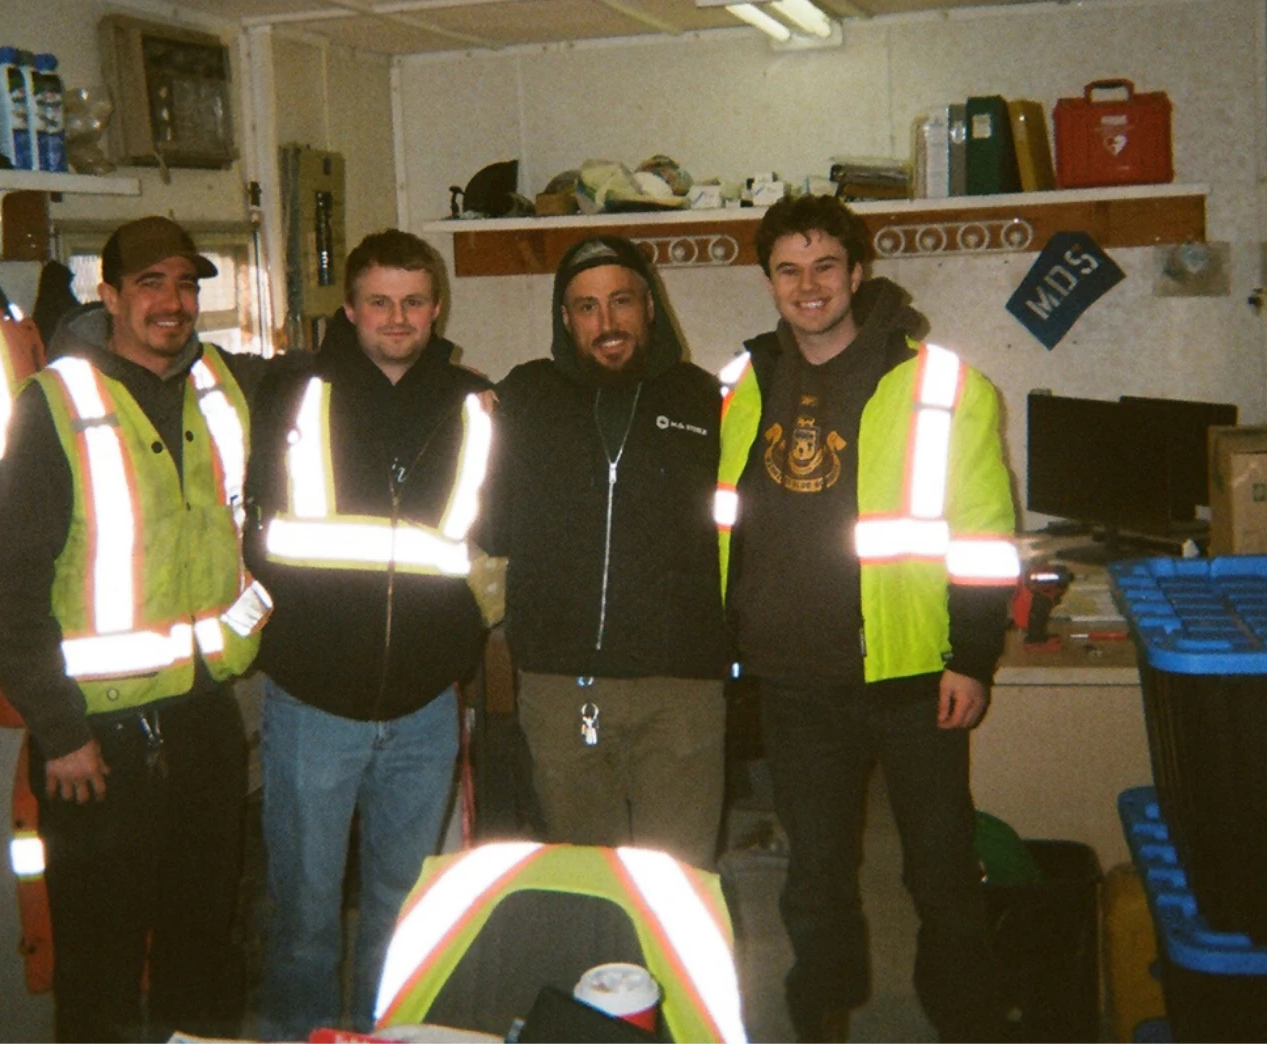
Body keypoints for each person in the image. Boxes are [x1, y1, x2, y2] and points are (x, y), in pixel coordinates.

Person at [717, 195, 1021, 1042]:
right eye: (788, 269)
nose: (807, 286)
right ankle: (824, 1015)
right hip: (793, 674)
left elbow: (986, 539)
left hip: (913, 676)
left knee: (942, 872)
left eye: (824, 267)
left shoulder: (943, 385)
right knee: (814, 876)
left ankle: (966, 1021)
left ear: (857, 273)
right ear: (769, 280)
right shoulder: (741, 383)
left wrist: (974, 658)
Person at [0, 216, 271, 1043]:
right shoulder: (57, 405)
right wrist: (61, 732)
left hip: (205, 724)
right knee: (100, 972)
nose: (172, 303)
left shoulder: (221, 385)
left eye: (186, 284)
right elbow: (6, 595)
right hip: (93, 745)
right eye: (150, 284)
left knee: (204, 951)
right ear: (107, 294)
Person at [246, 229, 492, 1038]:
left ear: (436, 307)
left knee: (401, 914)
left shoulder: (474, 403)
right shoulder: (287, 394)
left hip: (425, 710)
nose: (397, 317)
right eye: (379, 301)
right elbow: (240, 520)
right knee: (304, 923)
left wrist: (458, 651)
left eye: (414, 301)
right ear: (349, 308)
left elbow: (494, 531)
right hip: (313, 707)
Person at [480, 236, 730, 869]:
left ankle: (675, 977)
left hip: (681, 690)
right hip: (562, 688)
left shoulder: (708, 402)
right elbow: (493, 526)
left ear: (650, 305)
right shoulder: (524, 399)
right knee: (584, 880)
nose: (607, 323)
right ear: (566, 319)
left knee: (679, 884)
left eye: (621, 301)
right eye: (586, 307)